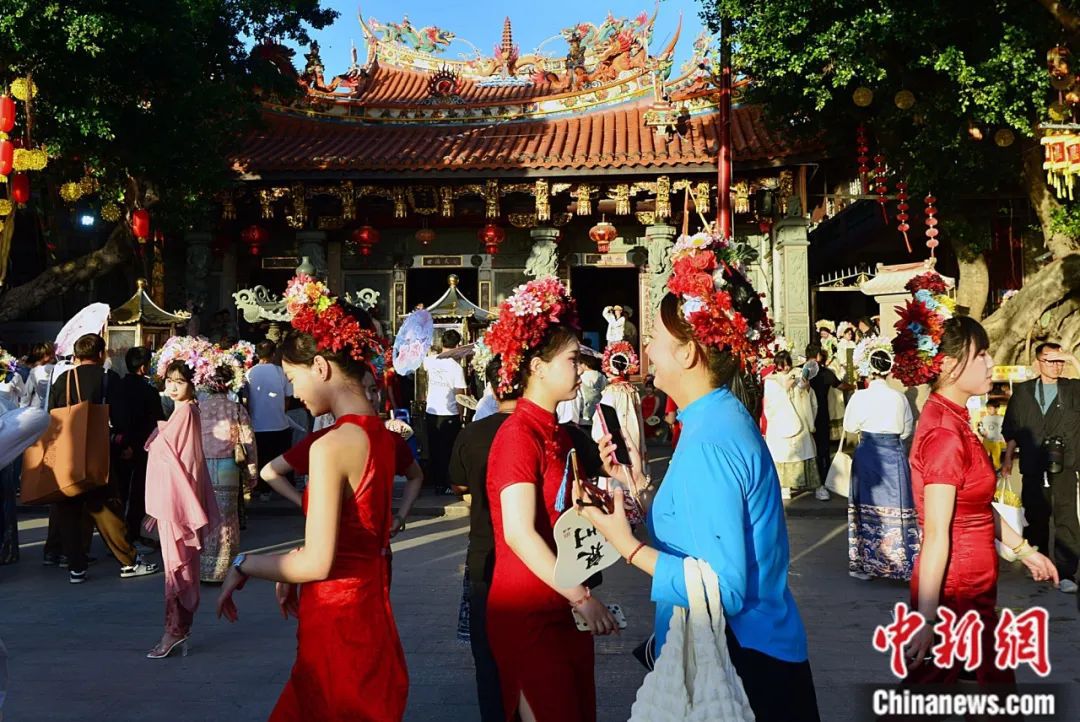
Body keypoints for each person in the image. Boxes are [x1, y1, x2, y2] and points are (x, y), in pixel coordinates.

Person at [579, 230, 819, 722]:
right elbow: (701, 531)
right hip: (761, 645)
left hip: (743, 660)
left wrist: (626, 545)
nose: (645, 348)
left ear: (688, 353)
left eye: (654, 338)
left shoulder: (709, 439)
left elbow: (722, 588)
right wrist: (636, 486)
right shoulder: (716, 417)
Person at [216, 274, 408, 721]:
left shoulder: (330, 445)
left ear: (320, 367)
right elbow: (350, 533)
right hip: (371, 609)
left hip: (336, 613)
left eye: (292, 378)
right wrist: (293, 563)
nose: (293, 392)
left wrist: (244, 564)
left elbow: (318, 564)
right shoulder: (382, 436)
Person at [484, 278, 620, 722]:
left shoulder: (558, 433)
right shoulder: (518, 436)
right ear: (538, 367)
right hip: (528, 607)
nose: (581, 369)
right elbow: (519, 533)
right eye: (572, 359)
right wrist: (581, 598)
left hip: (561, 600)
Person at [902, 316, 1059, 687]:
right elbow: (937, 534)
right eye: (982, 354)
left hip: (972, 585)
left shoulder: (954, 419)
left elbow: (974, 507)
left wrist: (1025, 551)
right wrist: (928, 618)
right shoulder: (944, 434)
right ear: (947, 364)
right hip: (956, 590)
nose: (991, 363)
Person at [48, 333, 158, 584]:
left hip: (68, 455)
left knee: (69, 509)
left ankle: (75, 566)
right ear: (100, 354)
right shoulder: (109, 378)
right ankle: (129, 561)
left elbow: (52, 413)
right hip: (98, 453)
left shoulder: (64, 379)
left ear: (77, 354)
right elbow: (121, 418)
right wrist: (124, 444)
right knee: (106, 508)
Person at [448, 356, 516, 722]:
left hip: (486, 555)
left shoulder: (472, 434)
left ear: (492, 387)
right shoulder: (552, 430)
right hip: (544, 563)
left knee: (488, 660)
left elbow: (459, 485)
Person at [144, 359, 221, 658]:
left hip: (177, 500)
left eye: (180, 381)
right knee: (178, 566)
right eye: (170, 381)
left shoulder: (187, 412)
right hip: (174, 499)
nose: (173, 386)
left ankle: (174, 631)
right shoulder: (183, 412)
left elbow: (182, 462)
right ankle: (177, 629)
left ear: (192, 383)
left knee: (178, 568)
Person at [1002, 342, 1080, 594]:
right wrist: (1007, 460)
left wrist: (1072, 359)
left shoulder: (1071, 388)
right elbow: (1012, 428)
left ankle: (1067, 573)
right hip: (1033, 463)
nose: (1056, 365)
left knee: (1066, 518)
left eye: (1059, 360)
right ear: (1038, 363)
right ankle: (1042, 566)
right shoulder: (1024, 392)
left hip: (1064, 463)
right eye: (1050, 360)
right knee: (1036, 516)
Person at [843, 339, 917, 581]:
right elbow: (906, 430)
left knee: (866, 507)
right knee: (898, 508)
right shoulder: (899, 398)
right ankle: (901, 564)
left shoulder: (859, 397)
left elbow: (850, 426)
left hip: (868, 452)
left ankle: (864, 563)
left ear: (869, 368)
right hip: (893, 454)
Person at [198, 363, 258, 583]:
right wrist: (252, 472)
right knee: (227, 517)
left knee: (206, 515)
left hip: (203, 466)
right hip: (228, 467)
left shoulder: (199, 408)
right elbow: (248, 441)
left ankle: (206, 569)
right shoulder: (236, 408)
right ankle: (224, 570)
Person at [111, 346, 166, 547]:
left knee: (120, 491)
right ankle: (133, 532)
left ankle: (116, 536)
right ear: (143, 367)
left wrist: (122, 442)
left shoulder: (116, 387)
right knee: (138, 492)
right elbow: (158, 421)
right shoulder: (149, 391)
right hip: (142, 447)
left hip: (118, 444)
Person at [762, 351, 819, 500]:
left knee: (805, 450)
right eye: (782, 366)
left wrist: (806, 388)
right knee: (783, 453)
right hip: (780, 423)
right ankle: (784, 486)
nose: (786, 368)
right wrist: (784, 389)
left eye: (787, 364)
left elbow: (808, 395)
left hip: (800, 418)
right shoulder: (771, 381)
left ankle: (815, 486)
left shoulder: (798, 374)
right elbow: (770, 405)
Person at [245, 340, 293, 501]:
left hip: (257, 424)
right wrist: (280, 411)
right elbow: (288, 397)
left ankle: (261, 489)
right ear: (274, 354)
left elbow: (246, 400)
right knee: (281, 458)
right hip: (279, 423)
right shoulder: (280, 372)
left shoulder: (249, 373)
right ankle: (284, 489)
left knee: (261, 458)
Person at [423, 330, 467, 494]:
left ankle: (437, 483)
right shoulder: (456, 368)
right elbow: (460, 394)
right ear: (457, 345)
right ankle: (447, 483)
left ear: (442, 343)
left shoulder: (430, 361)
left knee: (434, 448)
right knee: (448, 450)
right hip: (449, 412)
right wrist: (461, 414)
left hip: (431, 411)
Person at [805, 343, 844, 500]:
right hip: (821, 415)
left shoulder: (800, 371)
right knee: (822, 449)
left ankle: (805, 480)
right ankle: (823, 480)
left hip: (803, 415)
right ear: (819, 356)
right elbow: (841, 386)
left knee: (806, 448)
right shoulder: (826, 373)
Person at [19, 342, 55, 410]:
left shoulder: (33, 371)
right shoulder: (56, 368)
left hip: (38, 405)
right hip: (54, 405)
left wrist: (22, 408)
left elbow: (27, 392)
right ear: (46, 356)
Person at [977, 399, 1006, 470]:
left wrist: (1003, 439)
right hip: (986, 441)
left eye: (990, 408)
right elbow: (980, 427)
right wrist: (982, 432)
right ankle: (986, 471)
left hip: (996, 442)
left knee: (996, 459)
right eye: (987, 408)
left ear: (997, 408)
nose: (988, 410)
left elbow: (1004, 429)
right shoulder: (984, 418)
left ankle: (997, 470)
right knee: (985, 458)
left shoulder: (1001, 418)